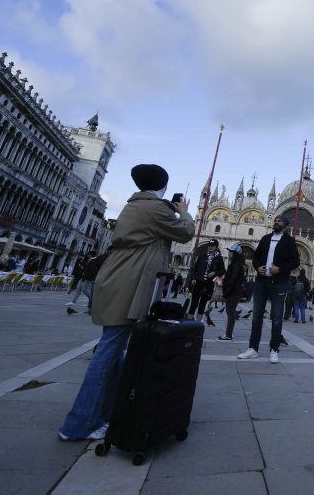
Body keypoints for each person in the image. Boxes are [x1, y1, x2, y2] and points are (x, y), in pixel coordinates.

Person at [58, 163, 194, 441]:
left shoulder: (136, 204)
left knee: (115, 352)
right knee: (107, 353)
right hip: (130, 280)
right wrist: (184, 212)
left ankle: (109, 411)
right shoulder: (155, 207)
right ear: (162, 185)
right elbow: (186, 232)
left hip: (120, 276)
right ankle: (78, 425)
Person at [237, 216, 300, 364]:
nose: (276, 222)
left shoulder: (289, 241)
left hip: (279, 282)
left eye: (279, 221)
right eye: (275, 221)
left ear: (285, 225)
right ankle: (253, 349)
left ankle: (274, 350)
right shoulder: (265, 238)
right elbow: (256, 257)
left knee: (277, 318)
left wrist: (280, 269)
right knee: (256, 316)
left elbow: (295, 261)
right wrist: (257, 266)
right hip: (261, 282)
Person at [217, 244, 248, 341]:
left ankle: (228, 335)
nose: (229, 253)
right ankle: (229, 333)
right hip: (234, 290)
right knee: (230, 312)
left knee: (230, 312)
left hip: (234, 291)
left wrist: (226, 292)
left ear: (235, 253)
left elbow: (233, 279)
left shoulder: (236, 265)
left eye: (231, 252)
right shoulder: (236, 264)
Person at [188, 239, 223, 322]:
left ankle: (198, 324)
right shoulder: (202, 256)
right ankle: (189, 323)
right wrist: (193, 278)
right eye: (209, 245)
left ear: (216, 247)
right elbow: (194, 268)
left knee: (202, 304)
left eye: (212, 246)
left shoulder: (219, 258)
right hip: (198, 282)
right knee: (193, 303)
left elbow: (222, 270)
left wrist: (214, 272)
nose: (210, 247)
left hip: (208, 284)